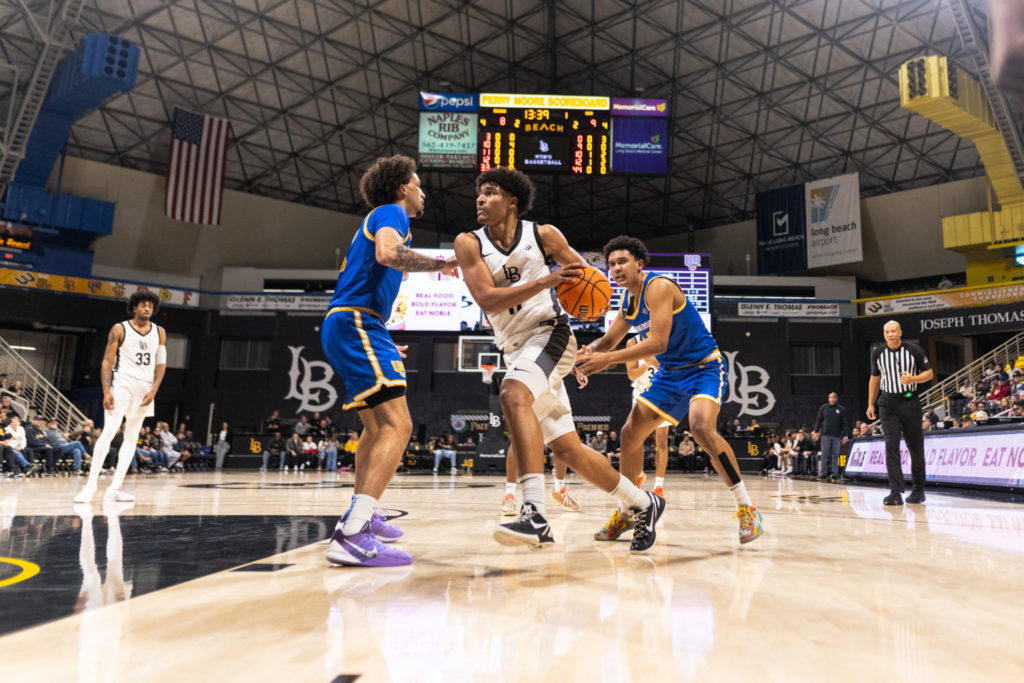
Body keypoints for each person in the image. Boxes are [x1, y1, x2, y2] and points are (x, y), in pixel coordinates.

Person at [455, 167, 663, 553]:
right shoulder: (468, 243)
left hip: (550, 334)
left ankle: (533, 512)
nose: (480, 199)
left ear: (512, 202)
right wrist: (544, 282)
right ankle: (644, 503)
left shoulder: (544, 235)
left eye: (490, 192)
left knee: (512, 393)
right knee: (568, 450)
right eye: (479, 193)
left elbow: (590, 281)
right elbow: (486, 299)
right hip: (516, 348)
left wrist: (588, 302)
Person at [578, 235, 763, 545]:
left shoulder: (659, 287)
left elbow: (658, 343)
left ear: (639, 263)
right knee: (629, 434)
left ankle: (747, 507)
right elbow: (607, 341)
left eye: (622, 261)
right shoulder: (627, 302)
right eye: (611, 264)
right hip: (670, 373)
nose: (616, 268)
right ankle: (628, 510)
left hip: (703, 366)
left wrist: (606, 360)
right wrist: (586, 355)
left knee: (701, 428)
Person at [321, 154, 458, 567]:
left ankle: (359, 514)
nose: (422, 191)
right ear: (402, 189)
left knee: (376, 426)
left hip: (353, 324)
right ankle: (352, 535)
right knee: (400, 425)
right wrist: (442, 264)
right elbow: (386, 254)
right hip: (357, 322)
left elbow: (374, 266)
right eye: (418, 184)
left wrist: (378, 340)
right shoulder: (391, 212)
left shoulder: (387, 217)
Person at [74, 291, 166, 503]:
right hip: (123, 382)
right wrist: (106, 391)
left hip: (145, 386)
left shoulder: (160, 332)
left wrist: (154, 390)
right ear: (134, 307)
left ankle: (115, 487)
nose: (147, 308)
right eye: (143, 305)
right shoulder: (119, 328)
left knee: (132, 437)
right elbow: (107, 361)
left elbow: (161, 364)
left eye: (150, 306)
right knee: (109, 431)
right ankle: (90, 486)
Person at [866, 320, 933, 506]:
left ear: (900, 332)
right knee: (891, 446)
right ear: (884, 334)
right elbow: (874, 378)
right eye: (887, 331)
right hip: (887, 404)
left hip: (910, 402)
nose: (890, 334)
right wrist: (870, 404)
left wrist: (913, 379)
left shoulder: (915, 351)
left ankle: (918, 490)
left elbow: (929, 374)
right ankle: (895, 492)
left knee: (916, 447)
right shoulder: (877, 353)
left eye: (893, 331)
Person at [624, 336, 669, 499]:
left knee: (662, 440)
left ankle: (658, 486)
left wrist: (653, 361)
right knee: (637, 439)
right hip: (642, 393)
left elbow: (670, 369)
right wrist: (646, 364)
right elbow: (631, 375)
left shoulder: (664, 339)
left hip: (663, 392)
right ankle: (639, 474)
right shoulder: (633, 343)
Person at [814, 392, 850, 481]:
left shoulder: (841, 409)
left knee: (835, 455)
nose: (832, 399)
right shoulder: (823, 408)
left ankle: (835, 474)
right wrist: (816, 431)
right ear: (828, 398)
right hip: (825, 435)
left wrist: (845, 435)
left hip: (837, 436)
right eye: (830, 397)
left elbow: (845, 423)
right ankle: (823, 474)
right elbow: (818, 420)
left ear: (836, 398)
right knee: (824, 455)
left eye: (833, 397)